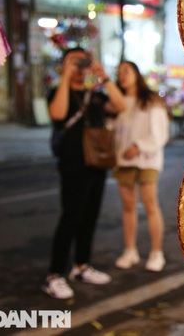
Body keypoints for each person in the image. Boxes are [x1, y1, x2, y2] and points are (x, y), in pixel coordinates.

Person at [44, 47, 127, 299]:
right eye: (73, 62)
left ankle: (81, 266)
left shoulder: (96, 95)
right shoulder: (57, 93)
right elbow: (57, 114)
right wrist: (65, 77)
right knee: (71, 217)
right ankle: (54, 276)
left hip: (97, 163)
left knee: (89, 217)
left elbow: (120, 105)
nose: (79, 67)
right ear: (64, 65)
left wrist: (103, 75)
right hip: (73, 165)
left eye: (82, 62)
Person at [113, 61, 170, 272]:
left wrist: (139, 146)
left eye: (126, 71)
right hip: (124, 159)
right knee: (128, 206)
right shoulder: (117, 102)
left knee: (150, 204)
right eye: (119, 72)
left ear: (137, 74)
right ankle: (130, 250)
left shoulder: (151, 100)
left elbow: (160, 132)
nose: (122, 75)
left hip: (147, 158)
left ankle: (157, 252)